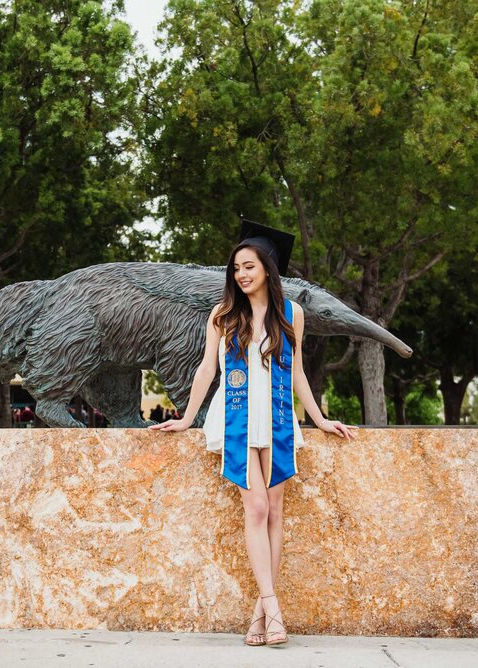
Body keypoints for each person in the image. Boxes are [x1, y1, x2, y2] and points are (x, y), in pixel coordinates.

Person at [149, 221, 356, 648]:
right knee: (257, 507)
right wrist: (187, 418)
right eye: (236, 268)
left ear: (267, 268)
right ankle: (274, 608)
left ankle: (261, 616)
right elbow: (207, 368)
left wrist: (318, 419)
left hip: (278, 417)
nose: (241, 274)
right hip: (237, 416)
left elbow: (296, 372)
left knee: (275, 511)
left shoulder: (292, 314)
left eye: (248, 266)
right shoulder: (224, 314)